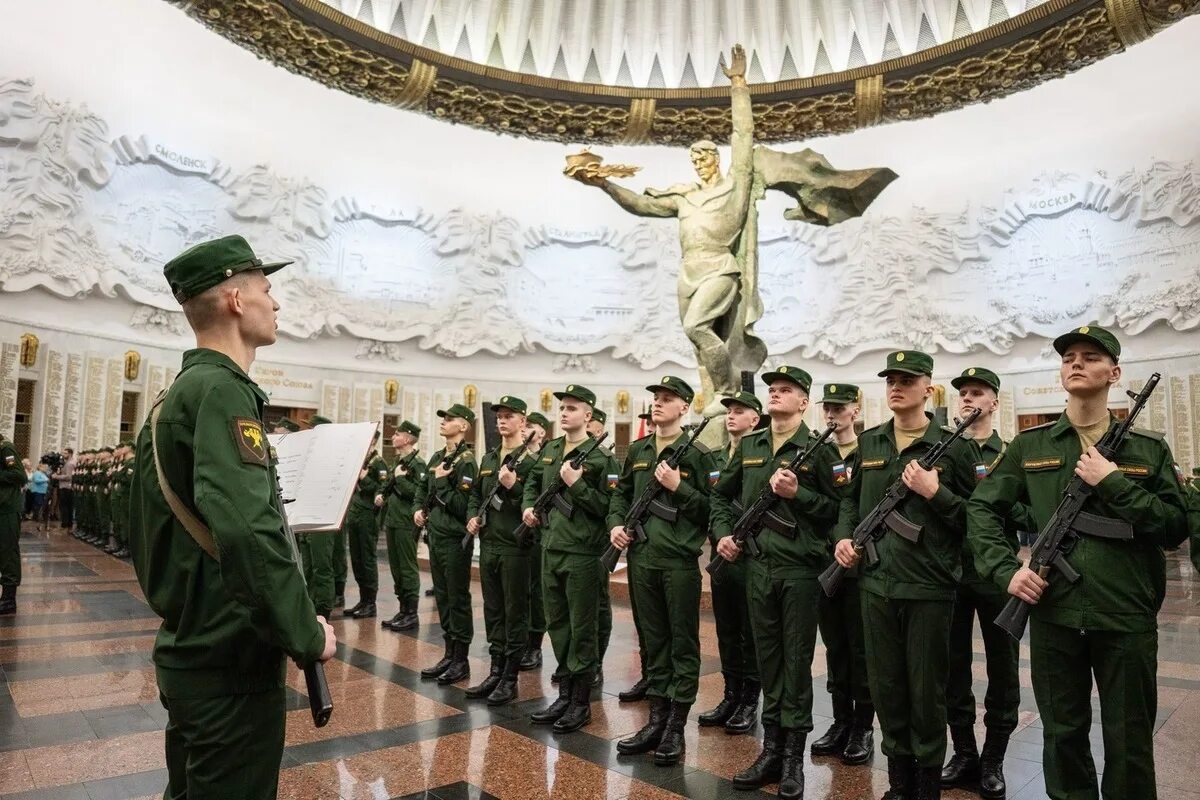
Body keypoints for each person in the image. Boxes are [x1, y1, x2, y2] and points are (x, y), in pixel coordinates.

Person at [128, 234, 336, 798]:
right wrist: (304, 631)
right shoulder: (222, 391)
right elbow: (247, 530)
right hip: (229, 659)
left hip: (193, 645)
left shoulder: (175, 396)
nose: (277, 303)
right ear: (237, 302)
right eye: (268, 290)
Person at [967, 326, 1188, 800]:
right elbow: (982, 507)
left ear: (1115, 373)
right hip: (1053, 612)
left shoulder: (1148, 449)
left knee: (1129, 742)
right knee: (1062, 737)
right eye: (1069, 356)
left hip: (1125, 614)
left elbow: (1174, 526)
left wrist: (1114, 484)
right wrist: (1007, 570)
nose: (1076, 362)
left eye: (1091, 356)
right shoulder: (1032, 445)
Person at [833, 350, 982, 800]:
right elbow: (849, 500)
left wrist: (936, 493)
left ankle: (928, 783)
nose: (896, 386)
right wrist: (843, 538)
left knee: (926, 691)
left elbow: (978, 517)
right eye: (890, 380)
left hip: (929, 586)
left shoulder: (955, 446)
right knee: (887, 688)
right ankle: (898, 781)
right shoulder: (872, 442)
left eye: (906, 379)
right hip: (875, 585)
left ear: (928, 387)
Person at [712, 366, 844, 798]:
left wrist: (797, 495)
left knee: (795, 664)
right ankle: (770, 749)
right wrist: (724, 534)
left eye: (785, 390)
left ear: (804, 402)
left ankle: (792, 758)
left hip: (801, 573)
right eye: (772, 389)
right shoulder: (750, 444)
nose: (775, 394)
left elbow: (840, 509)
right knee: (768, 662)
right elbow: (720, 495)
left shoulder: (820, 449)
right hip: (758, 569)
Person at [609, 376, 714, 765]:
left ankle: (675, 727)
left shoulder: (700, 455)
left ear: (684, 407)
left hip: (678, 563)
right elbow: (620, 496)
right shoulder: (638, 449)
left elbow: (712, 509)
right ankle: (655, 718)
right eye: (655, 398)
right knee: (652, 643)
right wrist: (617, 525)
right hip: (641, 560)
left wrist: (678, 487)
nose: (658, 403)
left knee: (681, 644)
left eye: (667, 399)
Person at [941, 368, 1026, 797]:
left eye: (978, 393)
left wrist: (996, 509)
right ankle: (964, 752)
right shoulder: (942, 451)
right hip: (951, 571)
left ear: (995, 401)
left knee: (1003, 667)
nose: (969, 399)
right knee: (952, 665)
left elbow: (1030, 515)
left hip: (996, 574)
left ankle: (994, 757)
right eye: (963, 394)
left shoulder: (1010, 453)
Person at [525, 384, 616, 733]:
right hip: (551, 547)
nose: (564, 413)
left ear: (588, 415)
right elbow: (533, 482)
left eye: (573, 408)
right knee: (558, 624)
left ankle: (580, 702)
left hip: (582, 553)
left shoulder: (601, 459)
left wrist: (576, 485)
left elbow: (607, 508)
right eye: (562, 408)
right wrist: (528, 508)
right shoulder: (550, 450)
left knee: (583, 629)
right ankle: (563, 695)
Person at [811, 383, 875, 765]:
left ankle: (863, 726)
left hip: (860, 566)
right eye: (828, 408)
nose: (832, 414)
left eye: (840, 407)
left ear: (856, 409)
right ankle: (840, 721)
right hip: (824, 564)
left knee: (862, 649)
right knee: (836, 647)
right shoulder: (817, 452)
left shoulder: (868, 450)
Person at [464, 395, 537, 705]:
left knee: (514, 612)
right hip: (490, 545)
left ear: (523, 421)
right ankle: (494, 670)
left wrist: (514, 486)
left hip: (515, 548)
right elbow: (475, 496)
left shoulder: (532, 463)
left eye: (509, 416)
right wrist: (472, 516)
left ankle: (510, 677)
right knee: (493, 611)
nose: (502, 421)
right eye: (499, 417)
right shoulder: (489, 458)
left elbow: (537, 509)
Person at [697, 390, 762, 735]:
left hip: (752, 558)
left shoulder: (762, 455)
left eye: (740, 411)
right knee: (726, 629)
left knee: (751, 631)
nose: (731, 416)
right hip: (722, 554)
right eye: (729, 411)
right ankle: (730, 694)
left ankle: (750, 700)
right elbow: (712, 504)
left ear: (755, 419)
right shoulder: (716, 457)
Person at [414, 404, 478, 685]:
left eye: (450, 419)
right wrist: (418, 508)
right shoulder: (439, 456)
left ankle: (460, 659)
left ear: (463, 426)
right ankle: (449, 653)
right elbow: (421, 489)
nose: (444, 422)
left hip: (454, 538)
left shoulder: (466, 462)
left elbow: (463, 505)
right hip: (436, 535)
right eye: (443, 418)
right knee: (442, 596)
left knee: (457, 598)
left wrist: (441, 484)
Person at [378, 420, 426, 631]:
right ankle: (403, 608)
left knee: (407, 567)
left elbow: (419, 494)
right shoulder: (398, 461)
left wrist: (400, 480)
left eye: (397, 434)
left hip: (407, 522)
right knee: (397, 568)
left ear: (407, 438)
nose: (394, 437)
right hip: (393, 520)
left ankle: (412, 613)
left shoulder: (418, 464)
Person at [519, 410, 551, 670]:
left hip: (539, 534)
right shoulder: (515, 457)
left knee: (537, 592)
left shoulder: (545, 458)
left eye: (529, 425)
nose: (523, 428)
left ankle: (534, 645)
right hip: (516, 535)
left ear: (541, 432)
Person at [344, 431, 387, 619]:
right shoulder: (361, 459)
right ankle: (363, 599)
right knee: (357, 558)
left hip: (368, 516)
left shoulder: (378, 463)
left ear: (374, 441)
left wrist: (364, 478)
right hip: (355, 514)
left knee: (367, 559)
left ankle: (371, 603)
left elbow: (380, 490)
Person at [0, 433, 24, 615]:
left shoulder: (6, 447)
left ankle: (9, 599)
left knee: (8, 551)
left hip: (7, 508)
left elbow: (19, 475)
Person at [54, 448, 76, 532]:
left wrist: (57, 477)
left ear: (70, 454)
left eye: (65, 453)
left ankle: (65, 524)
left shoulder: (70, 464)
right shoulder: (66, 463)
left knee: (65, 507)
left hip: (66, 487)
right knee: (67, 507)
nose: (63, 455)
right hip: (65, 486)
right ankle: (68, 523)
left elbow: (68, 476)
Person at [28, 463, 50, 527]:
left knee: (40, 504)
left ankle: (37, 516)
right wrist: (45, 480)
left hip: (42, 491)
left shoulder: (43, 474)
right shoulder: (37, 473)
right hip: (37, 491)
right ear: (40, 467)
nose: (46, 468)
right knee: (38, 503)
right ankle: (36, 517)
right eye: (44, 467)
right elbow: (37, 480)